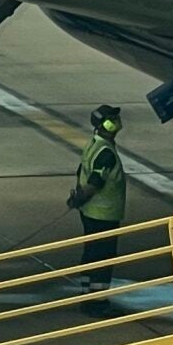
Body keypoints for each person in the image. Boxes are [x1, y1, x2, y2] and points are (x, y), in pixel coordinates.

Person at [66, 104, 127, 293]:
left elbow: (81, 171)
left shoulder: (94, 143)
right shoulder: (105, 152)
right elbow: (95, 181)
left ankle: (86, 294)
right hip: (104, 215)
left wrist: (78, 197)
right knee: (103, 257)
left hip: (90, 212)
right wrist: (82, 196)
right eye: (111, 121)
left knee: (91, 253)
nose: (116, 123)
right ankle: (98, 301)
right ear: (104, 125)